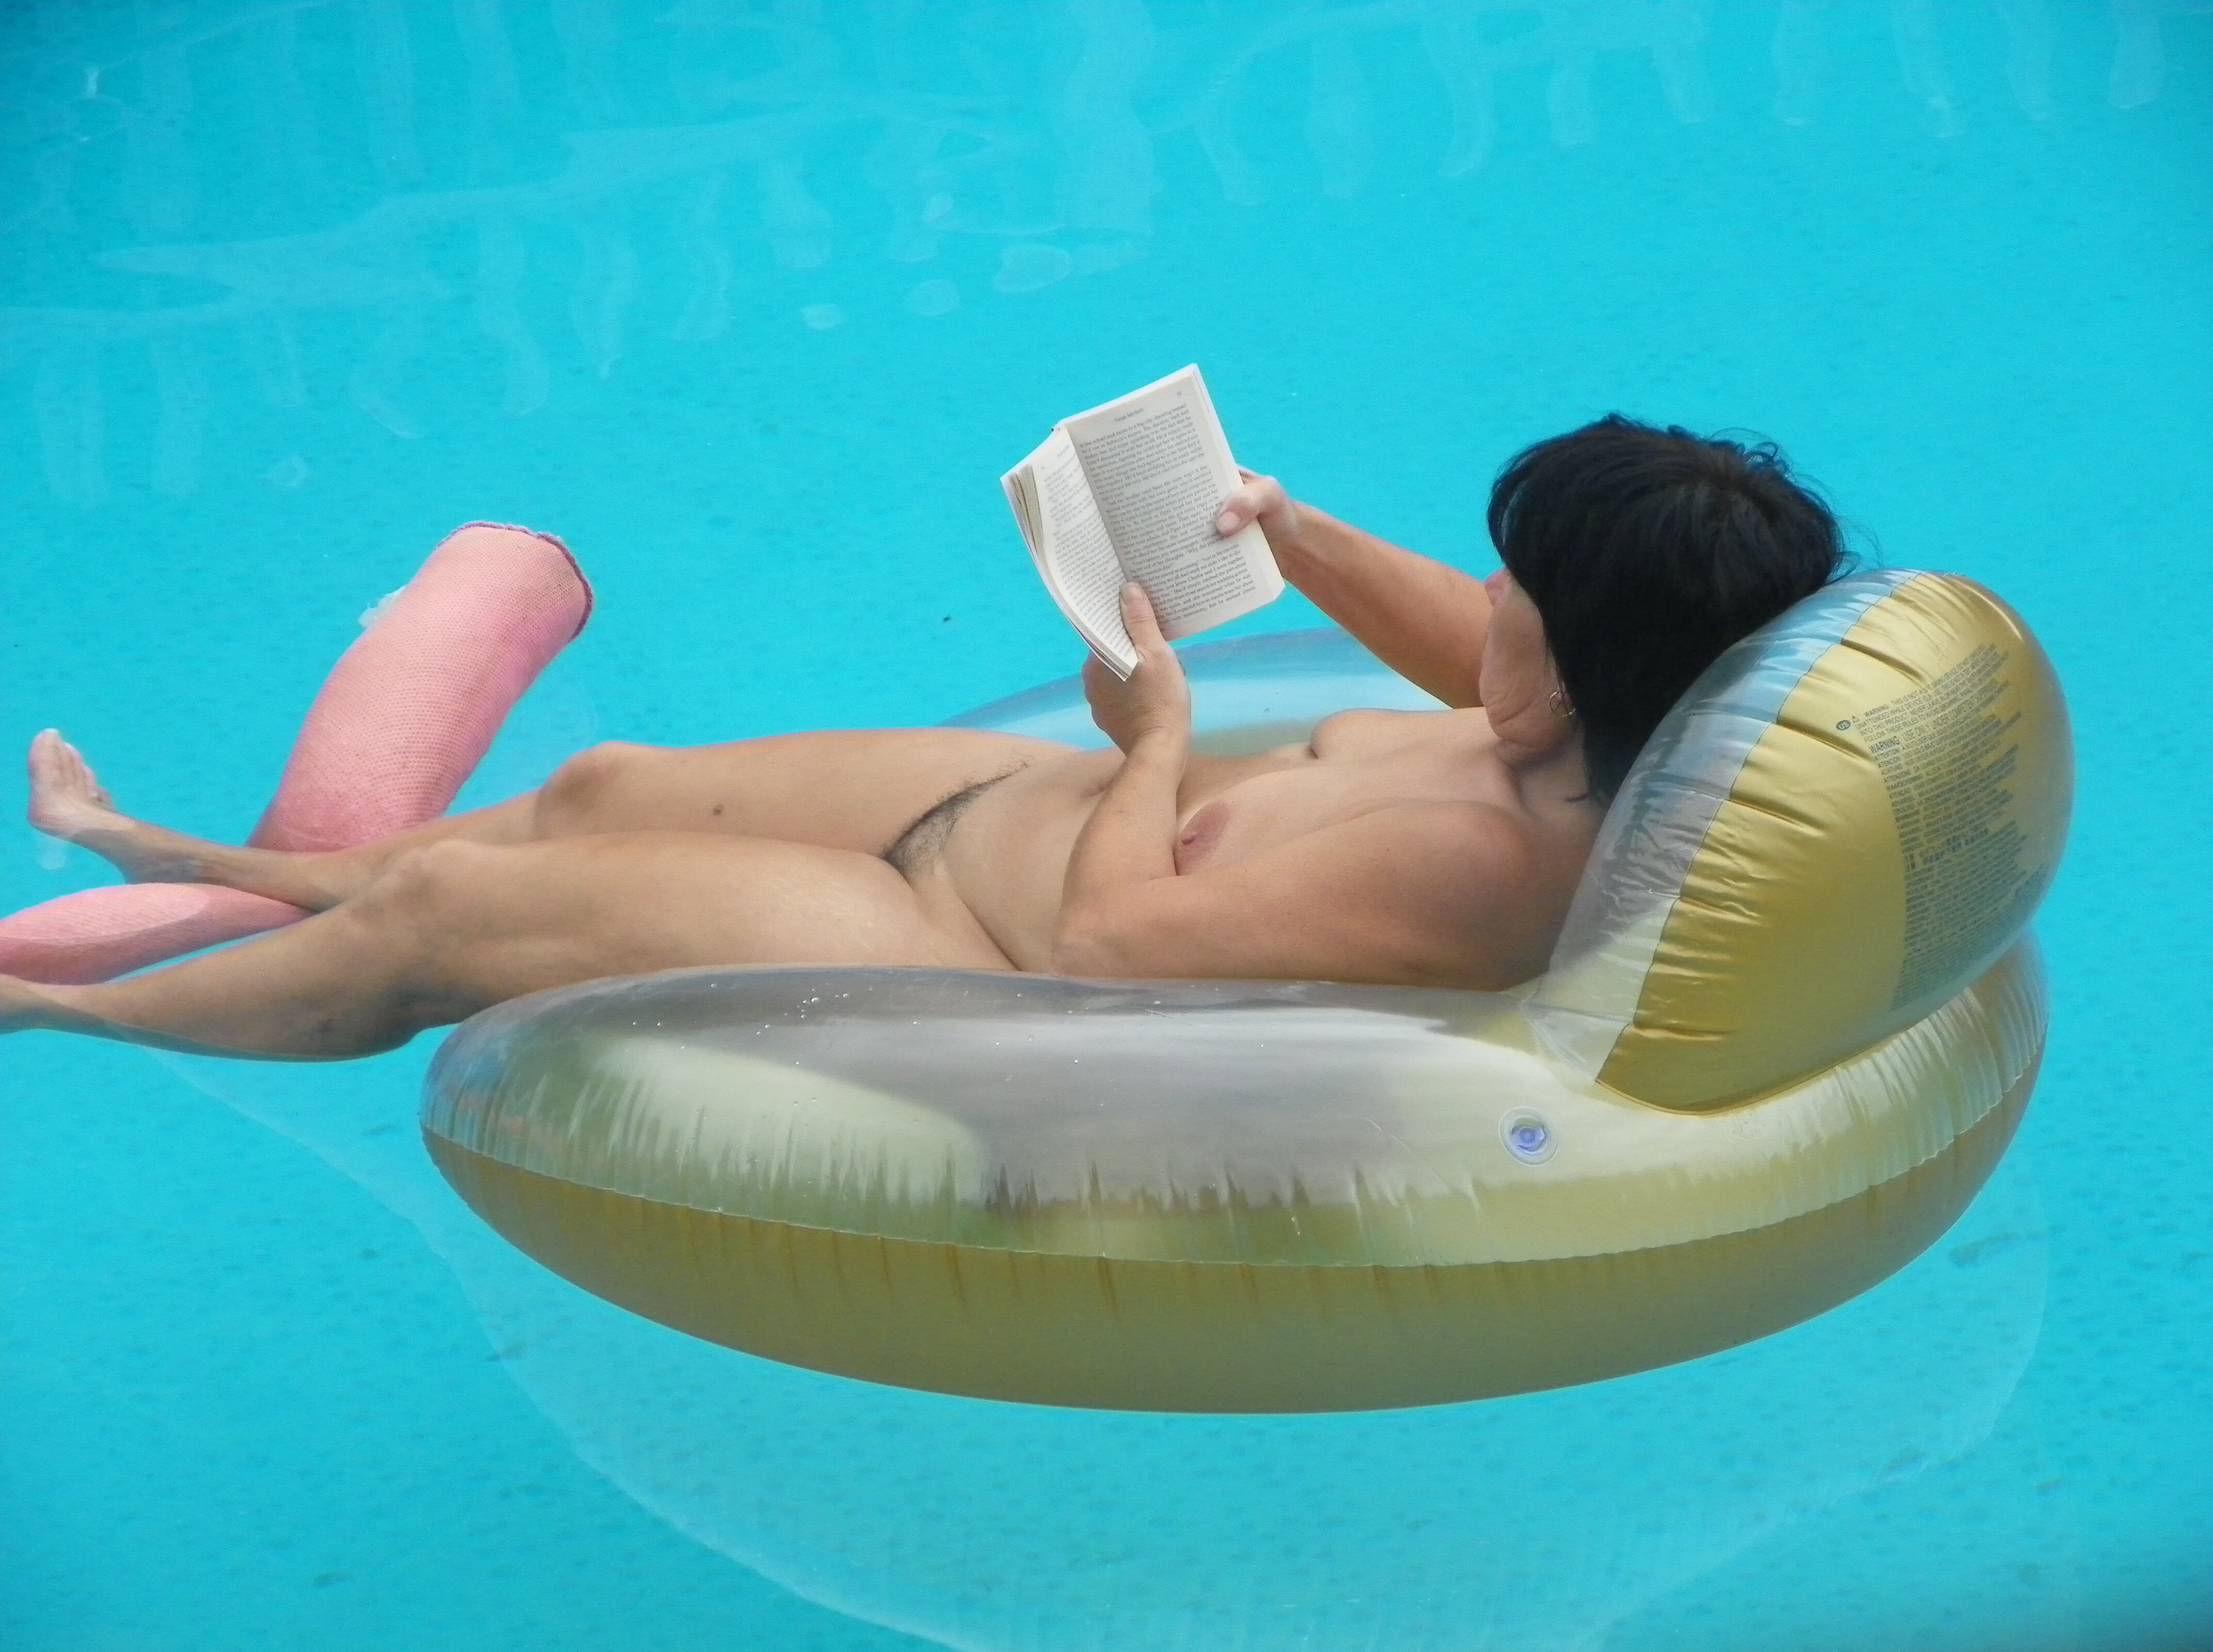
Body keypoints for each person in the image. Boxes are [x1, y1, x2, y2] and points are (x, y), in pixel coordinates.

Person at [3, 415, 1847, 1059]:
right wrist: (1288, 532)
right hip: (1010, 809)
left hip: (968, 947)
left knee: (441, 932)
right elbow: (1470, 646)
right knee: (596, 789)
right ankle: (193, 861)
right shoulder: (1572, 716)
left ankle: (48, 1013)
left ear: (1590, 659)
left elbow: (1114, 948)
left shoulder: (1489, 858)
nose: (1487, 591)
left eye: (1525, 583)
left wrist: (1153, 739)